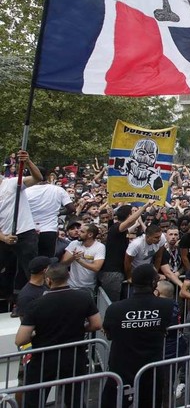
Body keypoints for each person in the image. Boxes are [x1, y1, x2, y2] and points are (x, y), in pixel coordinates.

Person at [16, 263, 102, 408]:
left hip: (44, 357)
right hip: (74, 355)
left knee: (34, 400)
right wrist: (80, 329)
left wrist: (38, 334)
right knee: (75, 399)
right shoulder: (83, 297)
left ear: (48, 280)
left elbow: (21, 339)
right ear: (68, 277)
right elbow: (96, 324)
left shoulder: (36, 305)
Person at [101, 265, 175, 408]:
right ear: (154, 282)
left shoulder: (115, 309)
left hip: (122, 367)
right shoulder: (167, 305)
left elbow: (109, 334)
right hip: (150, 368)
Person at [0, 150, 42, 298]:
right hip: (4, 237)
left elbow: (37, 177)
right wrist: (4, 238)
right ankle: (7, 298)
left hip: (25, 233)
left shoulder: (11, 183)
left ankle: (31, 301)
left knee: (31, 270)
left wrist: (28, 161)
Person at [100, 203, 150, 302]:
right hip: (113, 274)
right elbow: (130, 221)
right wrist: (144, 207)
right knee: (112, 304)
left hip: (117, 273)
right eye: (133, 212)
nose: (135, 214)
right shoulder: (116, 228)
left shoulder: (116, 227)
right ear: (128, 215)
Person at [26, 174, 73, 258]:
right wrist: (58, 213)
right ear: (47, 177)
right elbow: (71, 208)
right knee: (46, 261)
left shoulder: (25, 190)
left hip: (29, 230)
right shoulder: (58, 190)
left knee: (28, 261)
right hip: (49, 231)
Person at [61, 223, 105, 294]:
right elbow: (63, 264)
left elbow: (96, 267)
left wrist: (80, 260)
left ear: (90, 235)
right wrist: (73, 257)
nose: (78, 232)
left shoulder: (99, 247)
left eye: (82, 232)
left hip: (89, 287)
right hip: (71, 285)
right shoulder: (74, 244)